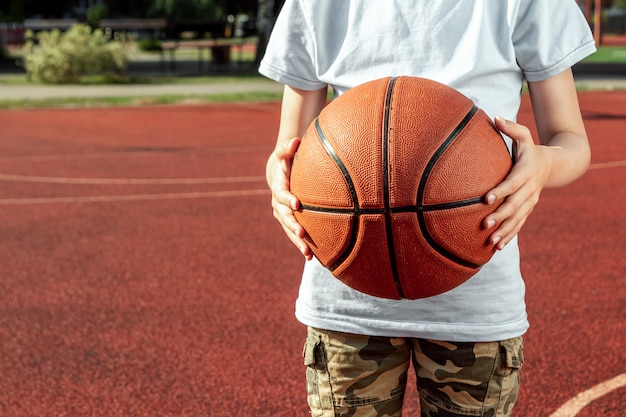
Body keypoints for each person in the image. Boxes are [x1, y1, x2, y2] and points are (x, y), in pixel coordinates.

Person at [259, 2, 595, 416]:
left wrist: (542, 165)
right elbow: (288, 150)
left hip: (475, 301)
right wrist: (280, 180)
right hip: (349, 299)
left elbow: (571, 141)